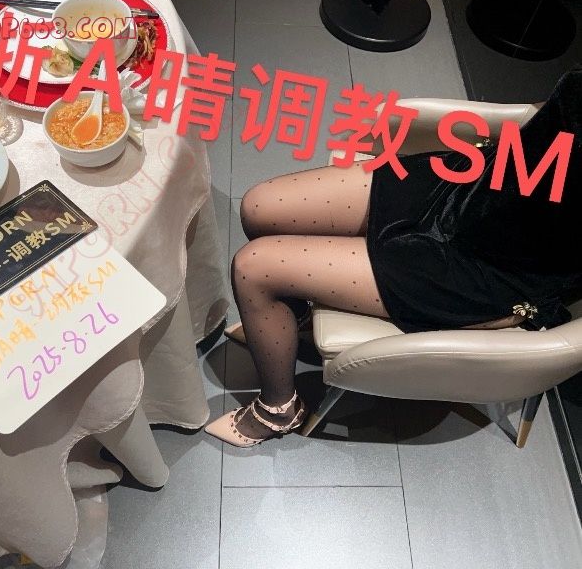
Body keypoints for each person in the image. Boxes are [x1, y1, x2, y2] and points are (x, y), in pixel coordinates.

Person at [205, 67, 582, 448]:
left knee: (253, 269)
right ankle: (293, 312)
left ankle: (278, 409)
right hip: (470, 186)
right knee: (258, 207)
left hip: (485, 266)